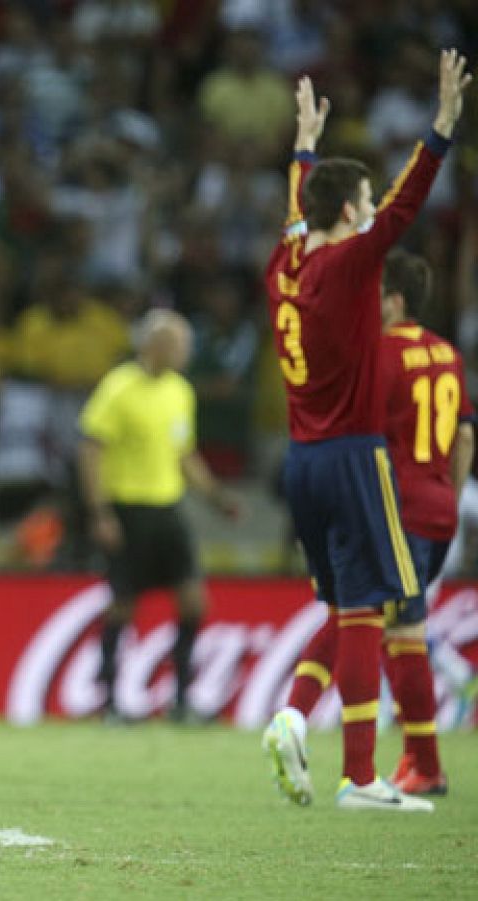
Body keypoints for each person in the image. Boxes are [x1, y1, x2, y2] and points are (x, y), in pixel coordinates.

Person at [261, 54, 466, 813]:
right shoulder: (351, 266)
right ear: (350, 212)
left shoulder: (284, 267)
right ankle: (358, 775)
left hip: (300, 461)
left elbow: (296, 214)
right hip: (352, 455)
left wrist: (304, 149)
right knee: (365, 609)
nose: (374, 206)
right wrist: (442, 128)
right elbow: (409, 203)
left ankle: (311, 734)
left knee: (347, 608)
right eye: (365, 200)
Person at [276, 251, 471, 798]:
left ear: (395, 300)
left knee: (369, 619)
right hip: (437, 509)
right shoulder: (448, 354)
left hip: (390, 506)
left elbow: (357, 435)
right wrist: (448, 500)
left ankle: (303, 720)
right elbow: (465, 437)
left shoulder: (378, 354)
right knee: (397, 627)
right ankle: (419, 762)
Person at [77, 310, 240, 723]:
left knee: (193, 602)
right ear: (153, 345)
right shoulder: (118, 388)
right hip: (128, 510)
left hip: (168, 508)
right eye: (178, 344)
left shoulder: (180, 391)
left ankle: (181, 699)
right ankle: (109, 702)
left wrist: (216, 498)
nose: (185, 352)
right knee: (123, 606)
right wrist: (100, 513)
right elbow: (91, 451)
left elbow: (183, 454)